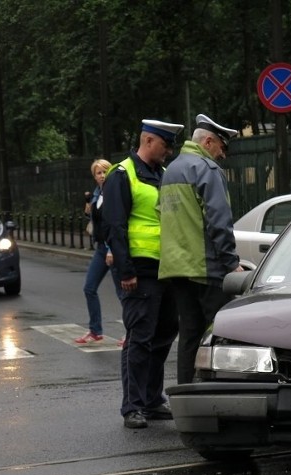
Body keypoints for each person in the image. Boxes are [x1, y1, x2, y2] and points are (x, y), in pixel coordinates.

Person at [104, 119, 183, 429]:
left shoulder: (161, 175)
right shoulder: (122, 174)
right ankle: (133, 406)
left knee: (163, 336)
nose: (169, 151)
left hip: (167, 269)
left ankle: (152, 400)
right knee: (139, 339)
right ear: (149, 141)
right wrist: (126, 270)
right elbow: (115, 225)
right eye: (166, 145)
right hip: (140, 271)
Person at [158, 114, 243, 385]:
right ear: (208, 141)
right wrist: (231, 263)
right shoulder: (207, 169)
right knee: (221, 332)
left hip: (176, 268)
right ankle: (219, 392)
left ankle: (185, 393)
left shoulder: (171, 170)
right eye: (222, 147)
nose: (223, 155)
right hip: (206, 268)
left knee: (190, 334)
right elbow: (219, 221)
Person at [76, 159, 123, 344]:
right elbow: (96, 218)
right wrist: (88, 209)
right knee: (89, 288)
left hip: (113, 249)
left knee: (122, 293)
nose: (102, 175)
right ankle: (95, 331)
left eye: (105, 171)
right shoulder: (97, 193)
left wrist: (112, 250)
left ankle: (131, 331)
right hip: (101, 248)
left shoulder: (114, 193)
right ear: (94, 176)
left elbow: (114, 223)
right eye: (98, 173)